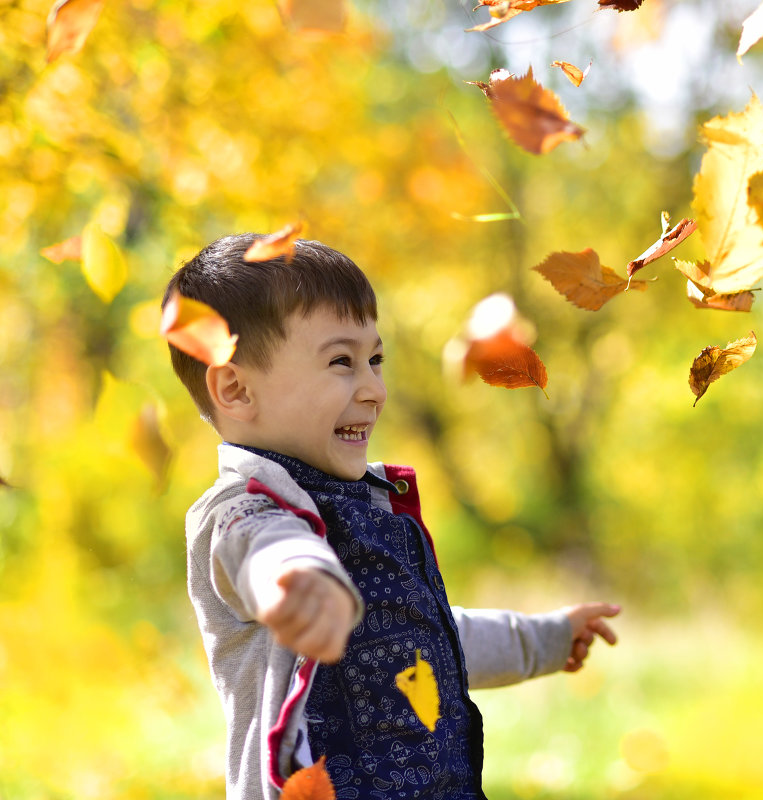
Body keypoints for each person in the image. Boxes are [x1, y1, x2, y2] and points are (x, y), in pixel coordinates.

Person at [164, 233, 620, 800]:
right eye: (341, 362)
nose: (374, 389)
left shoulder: (369, 507)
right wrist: (297, 579)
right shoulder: (241, 508)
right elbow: (263, 547)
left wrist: (545, 639)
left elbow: (429, 643)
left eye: (375, 360)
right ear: (235, 388)